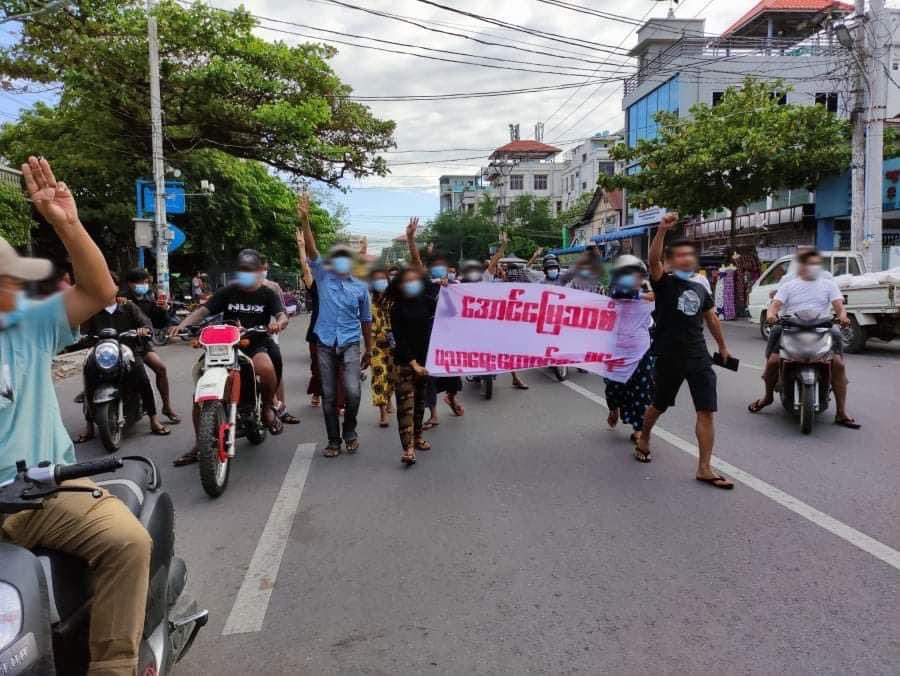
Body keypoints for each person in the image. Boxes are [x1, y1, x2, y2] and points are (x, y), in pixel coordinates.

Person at [1, 156, 151, 675]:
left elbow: (98, 292)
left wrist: (67, 223)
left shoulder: (28, 326)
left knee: (128, 542)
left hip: (42, 491)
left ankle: (113, 667)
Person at [636, 213, 735, 490]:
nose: (685, 259)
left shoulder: (701, 287)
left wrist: (723, 348)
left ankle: (704, 467)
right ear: (669, 261)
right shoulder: (663, 283)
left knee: (706, 410)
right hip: (669, 356)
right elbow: (653, 259)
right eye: (678, 255)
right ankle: (644, 436)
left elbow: (711, 318)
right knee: (659, 405)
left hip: (698, 357)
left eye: (689, 255)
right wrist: (661, 230)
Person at [170, 249, 289, 466]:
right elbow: (204, 311)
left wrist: (278, 323)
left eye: (249, 270)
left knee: (267, 368)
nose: (245, 274)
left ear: (258, 271)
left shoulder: (267, 294)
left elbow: (281, 314)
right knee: (199, 393)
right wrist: (183, 324)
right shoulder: (228, 291)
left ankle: (267, 409)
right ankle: (200, 444)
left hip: (254, 343)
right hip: (224, 346)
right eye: (241, 270)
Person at [748, 249, 859, 428]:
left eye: (816, 264)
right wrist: (771, 315)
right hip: (790, 328)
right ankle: (767, 397)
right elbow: (775, 305)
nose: (813, 267)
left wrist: (843, 316)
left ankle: (841, 412)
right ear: (801, 267)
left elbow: (839, 306)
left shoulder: (828, 284)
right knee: (773, 362)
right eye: (809, 264)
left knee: (838, 364)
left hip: (822, 328)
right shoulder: (789, 285)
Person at [299, 193, 373, 457]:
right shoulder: (323, 276)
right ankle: (333, 440)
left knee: (352, 394)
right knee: (329, 396)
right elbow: (312, 250)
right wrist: (305, 221)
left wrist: (370, 350)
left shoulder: (360, 289)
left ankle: (350, 431)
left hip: (351, 343)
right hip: (325, 344)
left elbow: (366, 320)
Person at [75, 274, 172, 441]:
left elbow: (146, 323)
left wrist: (144, 330)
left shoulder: (128, 306)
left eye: (108, 285)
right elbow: (83, 332)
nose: (103, 289)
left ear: (115, 288)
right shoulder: (92, 310)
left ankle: (154, 419)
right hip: (103, 352)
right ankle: (89, 426)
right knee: (88, 377)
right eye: (100, 285)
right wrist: (81, 338)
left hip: (129, 350)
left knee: (142, 377)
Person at [405, 218, 465, 421]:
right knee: (429, 375)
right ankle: (433, 414)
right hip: (428, 336)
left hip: (450, 337)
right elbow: (415, 261)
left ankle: (451, 398)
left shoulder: (456, 286)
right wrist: (411, 239)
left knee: (453, 374)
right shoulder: (427, 284)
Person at [604, 255, 657, 444]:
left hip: (641, 352)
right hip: (615, 352)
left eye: (636, 275)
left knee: (642, 390)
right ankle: (614, 408)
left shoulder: (648, 294)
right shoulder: (615, 293)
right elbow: (619, 292)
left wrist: (646, 289)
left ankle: (638, 429)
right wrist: (642, 294)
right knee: (613, 388)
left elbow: (655, 295)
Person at [390, 266, 437, 466]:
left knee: (419, 405)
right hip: (404, 364)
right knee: (405, 407)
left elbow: (449, 313)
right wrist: (413, 363)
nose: (412, 284)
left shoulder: (428, 303)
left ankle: (417, 437)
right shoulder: (397, 308)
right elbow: (399, 339)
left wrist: (447, 288)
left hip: (425, 363)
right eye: (407, 281)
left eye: (414, 280)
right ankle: (407, 448)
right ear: (400, 285)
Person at [122, 267, 180, 424]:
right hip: (123, 345)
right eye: (141, 282)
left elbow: (159, 323)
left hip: (142, 345)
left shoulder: (149, 298)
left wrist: (163, 309)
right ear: (130, 284)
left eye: (146, 282)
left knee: (161, 368)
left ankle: (166, 407)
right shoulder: (122, 300)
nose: (144, 285)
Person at [260, 256, 300, 426]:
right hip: (238, 336)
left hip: (266, 334)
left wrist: (278, 324)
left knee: (275, 367)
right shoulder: (234, 288)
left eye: (264, 267)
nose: (262, 270)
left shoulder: (272, 287)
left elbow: (282, 312)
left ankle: (280, 407)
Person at [369, 267, 395, 428]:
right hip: (375, 344)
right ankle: (383, 412)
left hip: (394, 343)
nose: (380, 282)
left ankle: (389, 398)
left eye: (383, 278)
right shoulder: (368, 300)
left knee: (392, 376)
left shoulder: (394, 298)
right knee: (379, 376)